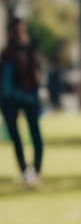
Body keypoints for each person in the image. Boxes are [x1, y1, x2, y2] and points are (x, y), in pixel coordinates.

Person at [0, 17, 43, 186]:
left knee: (34, 134)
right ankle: (25, 170)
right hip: (12, 99)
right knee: (17, 137)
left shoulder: (29, 49)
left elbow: (36, 73)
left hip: (27, 97)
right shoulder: (8, 53)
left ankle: (34, 170)